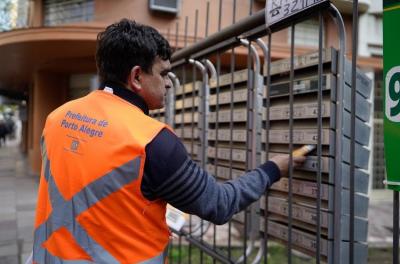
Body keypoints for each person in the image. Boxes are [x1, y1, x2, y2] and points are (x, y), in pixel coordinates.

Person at [31, 19, 305, 263]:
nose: (170, 83)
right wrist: (273, 168)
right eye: (162, 74)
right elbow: (219, 204)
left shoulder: (58, 117)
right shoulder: (151, 141)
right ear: (137, 76)